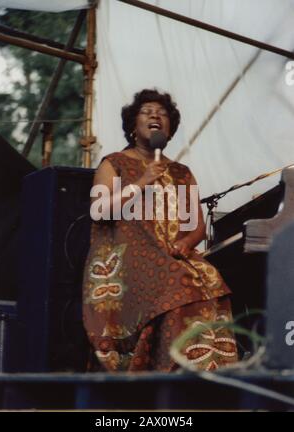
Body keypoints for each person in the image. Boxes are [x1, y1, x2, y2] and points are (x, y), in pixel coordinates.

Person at [83, 89, 238, 372]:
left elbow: (198, 227)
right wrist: (142, 181)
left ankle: (209, 375)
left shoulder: (182, 172)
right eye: (147, 111)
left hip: (173, 258)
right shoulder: (114, 163)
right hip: (128, 258)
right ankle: (170, 372)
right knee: (179, 282)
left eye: (163, 113)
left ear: (169, 129)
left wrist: (186, 243)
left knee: (212, 278)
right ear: (133, 125)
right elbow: (98, 210)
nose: (156, 115)